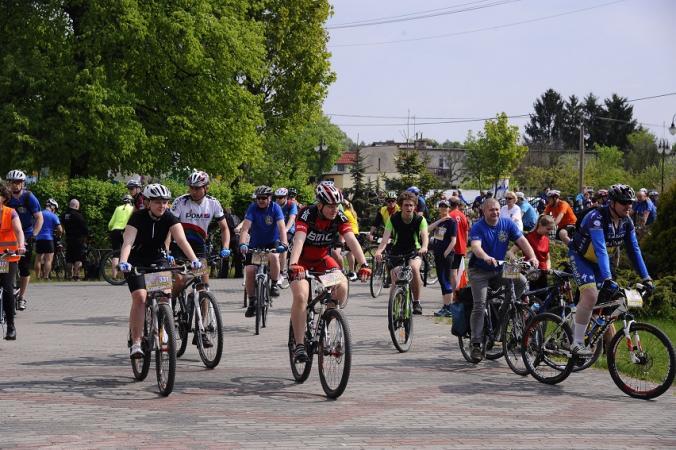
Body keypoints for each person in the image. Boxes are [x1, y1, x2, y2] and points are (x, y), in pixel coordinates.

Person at [287, 181, 371, 363]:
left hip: (322, 260)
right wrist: (294, 263)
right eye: (331, 206)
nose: (335, 210)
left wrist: (363, 264)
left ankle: (330, 316)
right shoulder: (307, 214)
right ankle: (300, 345)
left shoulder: (340, 217)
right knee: (302, 296)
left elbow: (351, 240)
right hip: (300, 260)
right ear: (320, 205)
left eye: (337, 206)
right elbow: (299, 240)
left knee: (342, 285)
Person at [568, 184, 654, 356]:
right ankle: (576, 343)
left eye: (630, 202)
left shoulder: (626, 222)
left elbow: (634, 251)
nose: (628, 206)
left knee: (611, 300)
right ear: (612, 203)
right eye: (623, 202)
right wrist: (607, 277)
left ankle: (582, 328)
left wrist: (646, 278)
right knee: (591, 295)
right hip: (581, 257)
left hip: (599, 262)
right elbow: (600, 248)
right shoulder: (597, 217)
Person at [118, 183, 202, 358]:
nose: (162, 206)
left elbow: (181, 241)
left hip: (158, 259)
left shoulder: (169, 218)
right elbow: (128, 242)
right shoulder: (137, 218)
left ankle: (161, 329)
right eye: (157, 202)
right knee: (140, 297)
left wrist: (194, 260)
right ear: (148, 202)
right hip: (136, 261)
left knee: (164, 295)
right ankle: (136, 342)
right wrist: (123, 261)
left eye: (165, 202)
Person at [467, 198, 538, 363]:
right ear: (484, 211)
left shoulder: (507, 224)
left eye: (497, 209)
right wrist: (486, 257)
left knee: (521, 281)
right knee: (480, 304)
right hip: (479, 271)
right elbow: (476, 247)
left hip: (501, 268)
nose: (495, 212)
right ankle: (476, 343)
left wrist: (532, 257)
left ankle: (503, 315)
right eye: (491, 210)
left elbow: (522, 241)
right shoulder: (478, 226)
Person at [169, 171, 230, 304]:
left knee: (204, 285)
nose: (193, 191)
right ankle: (169, 305)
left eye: (197, 188)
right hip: (178, 246)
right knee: (180, 280)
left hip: (198, 246)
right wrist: (167, 249)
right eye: (191, 187)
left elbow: (224, 228)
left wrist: (225, 247)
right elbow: (169, 227)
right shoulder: (180, 201)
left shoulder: (213, 203)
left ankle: (204, 323)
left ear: (206, 188)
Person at [374, 191, 429, 315]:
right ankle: (393, 305)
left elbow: (425, 237)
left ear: (415, 206)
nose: (408, 208)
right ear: (401, 206)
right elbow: (384, 239)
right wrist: (378, 251)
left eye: (411, 205)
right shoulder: (393, 219)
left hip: (414, 250)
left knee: (414, 268)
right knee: (396, 275)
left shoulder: (420, 219)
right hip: (397, 250)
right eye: (406, 205)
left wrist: (424, 247)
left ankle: (416, 302)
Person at [239, 185, 288, 317]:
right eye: (258, 198)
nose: (260, 200)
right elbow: (245, 228)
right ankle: (252, 302)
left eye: (263, 198)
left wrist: (284, 243)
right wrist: (243, 243)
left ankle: (273, 285)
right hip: (256, 244)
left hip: (272, 242)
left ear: (270, 198)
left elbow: (282, 228)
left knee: (274, 256)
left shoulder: (275, 208)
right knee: (249, 270)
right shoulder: (252, 208)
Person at [5, 170, 43, 310]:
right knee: (4, 266)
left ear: (22, 183)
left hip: (25, 236)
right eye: (12, 182)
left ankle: (21, 297)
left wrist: (33, 235)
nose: (14, 185)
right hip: (8, 237)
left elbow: (39, 218)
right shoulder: (5, 197)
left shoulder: (28, 197)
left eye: (17, 182)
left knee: (24, 268)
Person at [0, 184, 26, 340]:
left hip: (6, 258)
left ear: (3, 197)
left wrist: (21, 245)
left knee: (7, 288)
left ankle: (11, 327)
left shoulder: (11, 213)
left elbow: (19, 231)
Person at [509, 214, 556, 292]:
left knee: (542, 300)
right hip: (530, 273)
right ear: (540, 225)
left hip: (543, 274)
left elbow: (548, 259)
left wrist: (548, 268)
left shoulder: (546, 240)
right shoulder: (527, 237)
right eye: (548, 229)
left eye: (551, 229)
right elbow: (510, 252)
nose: (550, 232)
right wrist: (516, 262)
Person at [427, 199, 457, 317]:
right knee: (441, 279)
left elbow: (453, 240)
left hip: (446, 254)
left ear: (449, 208)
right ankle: (445, 306)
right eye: (441, 206)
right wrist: (440, 220)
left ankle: (448, 307)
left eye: (445, 206)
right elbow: (427, 229)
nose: (443, 208)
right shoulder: (441, 222)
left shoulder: (452, 222)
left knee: (446, 279)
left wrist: (446, 252)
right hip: (438, 253)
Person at [107, 194, 135, 280]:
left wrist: (111, 228)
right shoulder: (132, 209)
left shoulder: (118, 208)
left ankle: (114, 276)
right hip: (125, 231)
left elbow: (110, 223)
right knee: (126, 252)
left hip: (115, 230)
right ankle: (124, 276)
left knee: (116, 254)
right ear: (131, 201)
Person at [34, 198, 62, 279]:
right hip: (49, 239)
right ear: (52, 207)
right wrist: (58, 235)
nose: (55, 211)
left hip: (39, 239)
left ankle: (37, 277)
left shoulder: (39, 214)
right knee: (48, 260)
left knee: (38, 259)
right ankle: (46, 277)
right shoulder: (53, 215)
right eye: (55, 209)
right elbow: (60, 229)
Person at [61, 199, 89, 281]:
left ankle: (69, 275)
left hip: (68, 239)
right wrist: (88, 236)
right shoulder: (78, 215)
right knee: (78, 258)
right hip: (78, 240)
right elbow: (84, 227)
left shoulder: (64, 215)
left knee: (69, 258)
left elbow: (62, 226)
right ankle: (76, 275)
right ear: (76, 206)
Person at [275, 187, 298, 279]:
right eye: (276, 197)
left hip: (289, 229)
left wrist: (286, 229)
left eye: (280, 197)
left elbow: (292, 218)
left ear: (285, 197)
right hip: (276, 230)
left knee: (283, 246)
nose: (278, 199)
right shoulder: (274, 205)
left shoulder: (291, 205)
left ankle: (281, 272)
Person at [340, 199, 360, 280]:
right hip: (355, 232)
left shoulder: (345, 213)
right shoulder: (353, 212)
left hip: (349, 233)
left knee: (341, 252)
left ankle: (342, 270)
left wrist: (342, 239)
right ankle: (352, 271)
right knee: (350, 253)